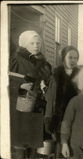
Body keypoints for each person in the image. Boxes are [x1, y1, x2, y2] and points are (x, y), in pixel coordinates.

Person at [9, 30, 52, 159]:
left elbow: (48, 80)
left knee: (35, 143)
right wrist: (18, 87)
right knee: (21, 144)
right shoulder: (15, 60)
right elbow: (5, 82)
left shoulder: (43, 62)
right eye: (32, 43)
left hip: (37, 105)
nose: (36, 46)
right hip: (20, 105)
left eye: (38, 43)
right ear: (24, 44)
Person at [44, 45, 80, 158]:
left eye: (75, 58)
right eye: (70, 57)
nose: (73, 60)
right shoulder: (56, 74)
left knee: (73, 146)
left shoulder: (81, 75)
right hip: (59, 117)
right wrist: (48, 117)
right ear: (64, 58)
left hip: (75, 116)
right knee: (60, 146)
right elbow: (50, 98)